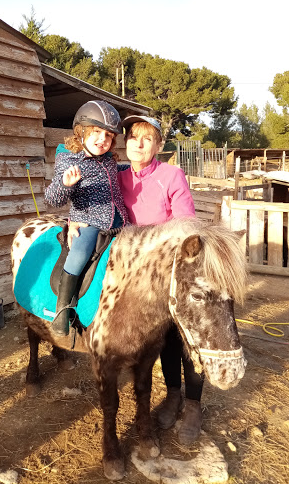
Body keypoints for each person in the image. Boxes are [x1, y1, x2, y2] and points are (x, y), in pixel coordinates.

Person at [118, 115, 204, 445]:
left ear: (158, 145)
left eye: (147, 138)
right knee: (162, 338)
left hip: (174, 266)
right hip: (142, 274)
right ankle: (173, 396)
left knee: (188, 337)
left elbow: (185, 221)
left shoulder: (171, 175)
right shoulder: (118, 177)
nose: (139, 144)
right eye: (133, 137)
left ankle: (193, 406)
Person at [44, 100, 128, 336]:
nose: (103, 139)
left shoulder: (109, 159)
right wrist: (65, 184)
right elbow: (53, 198)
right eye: (97, 133)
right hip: (89, 223)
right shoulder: (69, 161)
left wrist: (133, 171)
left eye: (109, 136)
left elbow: (116, 176)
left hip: (121, 222)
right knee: (79, 255)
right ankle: (63, 311)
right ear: (81, 132)